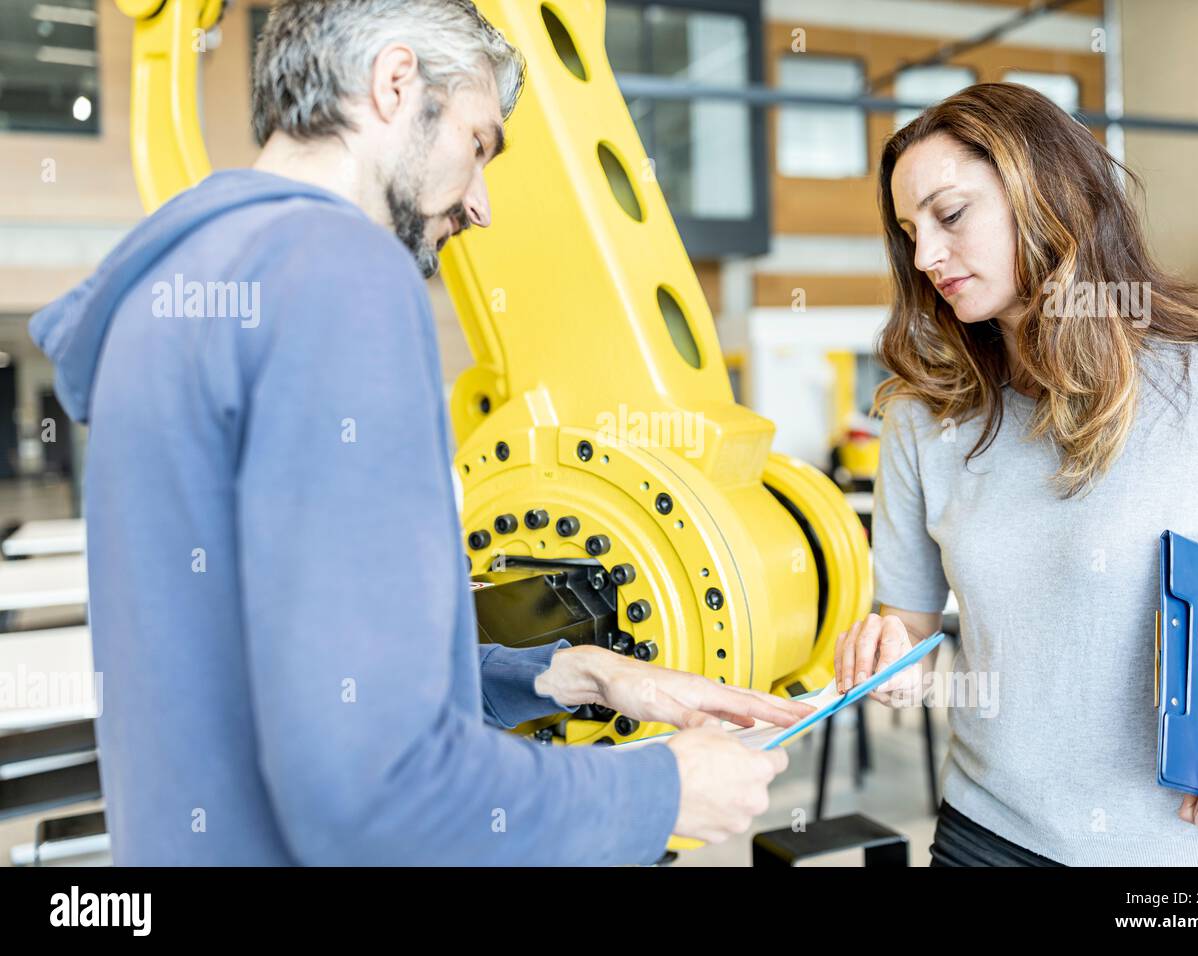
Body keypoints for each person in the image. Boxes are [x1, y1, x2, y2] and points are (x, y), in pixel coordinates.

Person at [29, 0, 806, 866]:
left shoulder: (169, 289)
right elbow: (378, 793)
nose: (480, 206)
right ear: (395, 83)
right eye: (478, 144)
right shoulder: (341, 271)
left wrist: (566, 673)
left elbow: (298, 679)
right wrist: (663, 790)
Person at [834, 82, 1198, 866]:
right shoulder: (923, 417)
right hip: (988, 834)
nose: (924, 257)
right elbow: (908, 624)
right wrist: (887, 659)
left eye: (951, 215)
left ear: (1048, 192)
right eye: (910, 232)